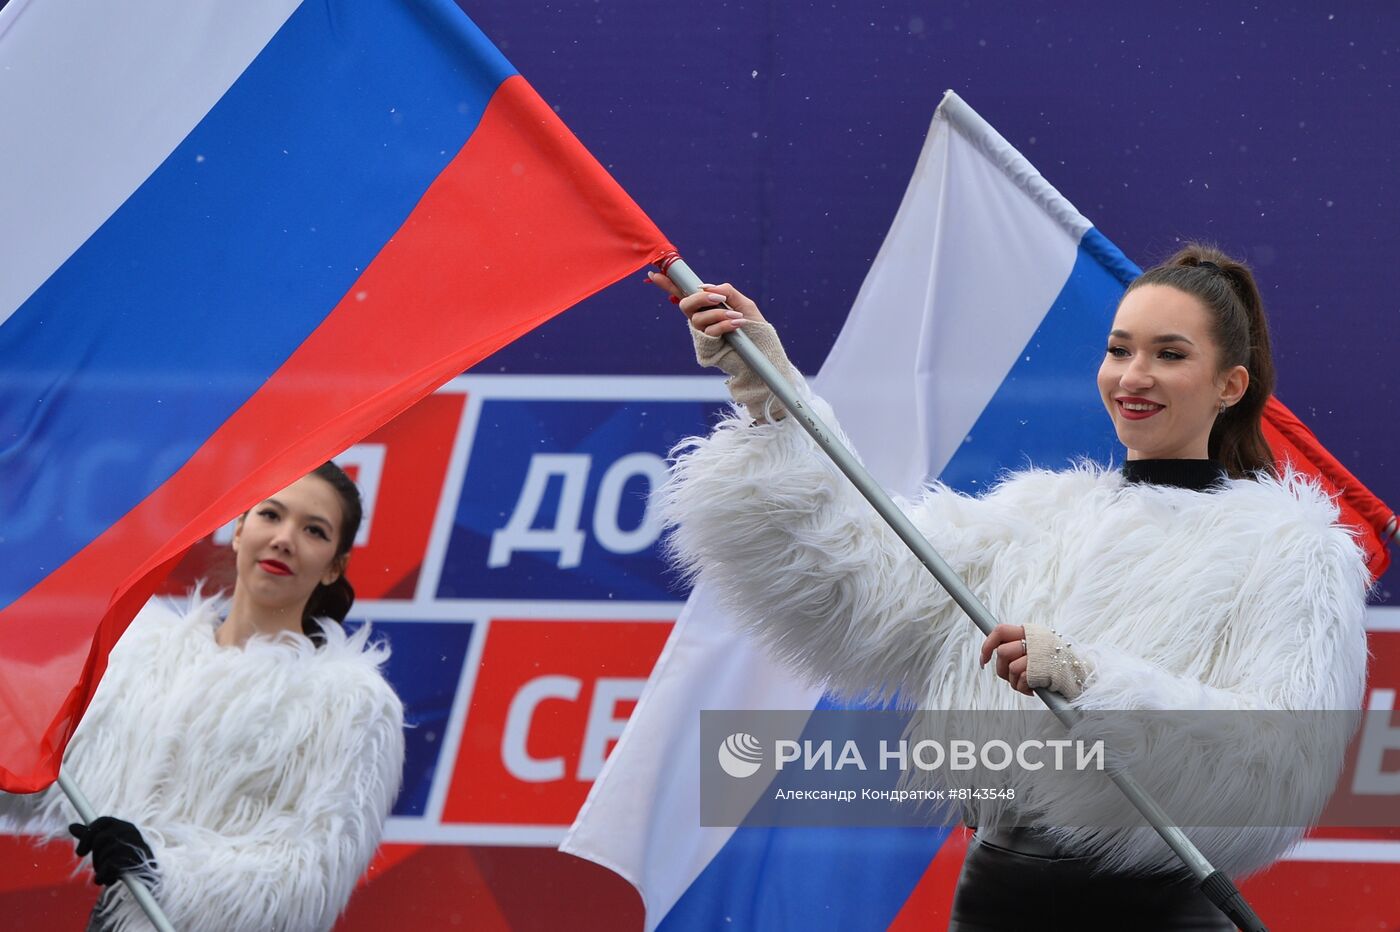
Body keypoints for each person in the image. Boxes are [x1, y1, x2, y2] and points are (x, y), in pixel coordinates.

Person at [647, 244, 1370, 930]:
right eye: (1120, 349)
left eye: (1169, 354)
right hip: (1000, 898)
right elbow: (852, 579)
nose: (1133, 375)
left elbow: (1276, 761)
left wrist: (1093, 679)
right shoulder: (1033, 516)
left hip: (1157, 906)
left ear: (1229, 386)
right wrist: (775, 400)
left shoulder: (1294, 550)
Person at [1, 462, 405, 932]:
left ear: (335, 566)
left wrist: (164, 873)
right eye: (270, 515)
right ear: (238, 529)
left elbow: (311, 873)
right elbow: (43, 757)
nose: (284, 539)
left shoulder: (354, 704)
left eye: (313, 530)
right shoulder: (142, 654)